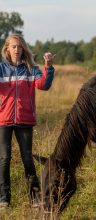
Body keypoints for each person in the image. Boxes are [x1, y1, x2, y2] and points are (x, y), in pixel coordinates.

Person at [0, 33, 55, 209]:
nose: (16, 49)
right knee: (4, 159)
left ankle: (35, 199)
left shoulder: (32, 68)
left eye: (19, 46)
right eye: (13, 46)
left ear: (23, 48)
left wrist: (48, 66)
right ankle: (4, 199)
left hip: (25, 120)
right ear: (7, 48)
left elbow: (44, 85)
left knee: (27, 159)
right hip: (3, 120)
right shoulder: (1, 69)